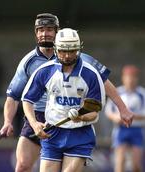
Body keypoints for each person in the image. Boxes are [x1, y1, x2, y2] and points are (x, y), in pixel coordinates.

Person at [0, 13, 133, 172]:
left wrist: (123, 108)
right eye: (40, 29)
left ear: (58, 32)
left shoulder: (82, 60)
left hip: (73, 119)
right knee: (22, 166)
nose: (45, 33)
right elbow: (14, 96)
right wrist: (8, 121)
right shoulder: (29, 62)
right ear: (36, 33)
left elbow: (104, 83)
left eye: (49, 29)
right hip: (38, 116)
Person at [21, 28, 106, 172]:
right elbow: (27, 100)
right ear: (55, 49)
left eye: (72, 51)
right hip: (52, 133)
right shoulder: (45, 71)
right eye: (62, 51)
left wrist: (81, 116)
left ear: (79, 49)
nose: (67, 56)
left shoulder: (91, 75)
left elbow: (94, 113)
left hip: (80, 135)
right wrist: (34, 124)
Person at [105, 64, 145, 172]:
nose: (130, 80)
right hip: (121, 130)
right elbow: (108, 111)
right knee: (120, 162)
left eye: (133, 77)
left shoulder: (142, 94)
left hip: (137, 130)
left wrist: (130, 115)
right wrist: (116, 117)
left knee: (136, 165)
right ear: (123, 78)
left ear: (137, 78)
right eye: (128, 77)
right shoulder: (117, 92)